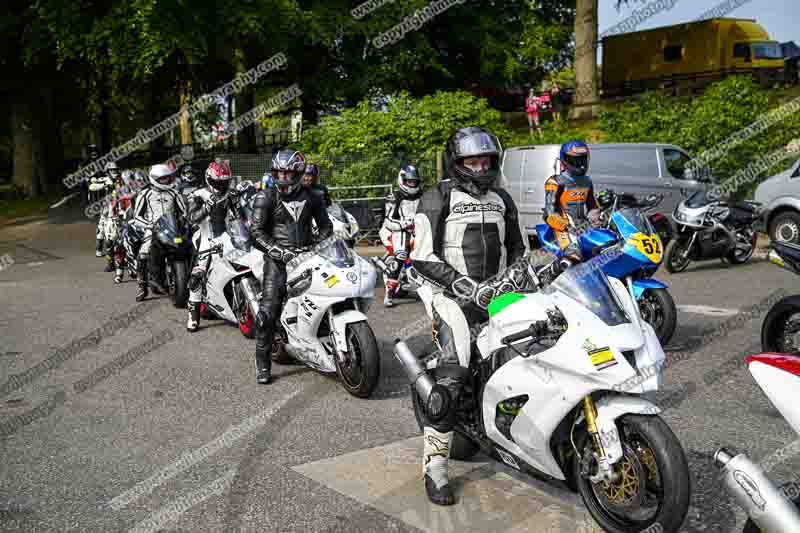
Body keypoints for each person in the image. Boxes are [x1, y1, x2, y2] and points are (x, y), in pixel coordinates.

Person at [410, 126, 528, 505]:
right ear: (457, 163)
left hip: (496, 294)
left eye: (485, 160)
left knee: (534, 352)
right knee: (454, 372)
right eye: (471, 161)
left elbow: (519, 252)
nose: (480, 167)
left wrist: (523, 281)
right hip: (450, 296)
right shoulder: (437, 197)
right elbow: (423, 255)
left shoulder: (503, 199)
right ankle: (435, 467)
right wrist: (465, 288)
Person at [250, 150, 333, 384]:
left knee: (329, 292)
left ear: (298, 173)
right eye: (279, 172)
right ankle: (262, 361)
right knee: (267, 313)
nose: (284, 178)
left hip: (307, 256)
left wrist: (318, 244)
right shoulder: (265, 197)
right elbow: (255, 232)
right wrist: (277, 250)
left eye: (288, 173)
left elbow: (326, 227)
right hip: (277, 259)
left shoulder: (314, 196)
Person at [186, 160, 245, 332]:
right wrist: (205, 207)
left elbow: (240, 216)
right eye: (218, 182)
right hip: (205, 237)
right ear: (209, 179)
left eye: (224, 182)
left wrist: (240, 206)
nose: (221, 185)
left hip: (227, 236)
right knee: (198, 273)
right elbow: (191, 218)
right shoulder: (196, 195)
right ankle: (193, 315)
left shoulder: (230, 194)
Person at [130, 163, 187, 301]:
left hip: (173, 228)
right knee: (143, 254)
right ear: (154, 178)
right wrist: (149, 225)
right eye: (162, 179)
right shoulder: (145, 194)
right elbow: (137, 216)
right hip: (153, 229)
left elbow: (184, 212)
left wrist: (185, 221)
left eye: (167, 178)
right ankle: (142, 287)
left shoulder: (175, 192)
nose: (166, 181)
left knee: (188, 247)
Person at [543, 140, 601, 264]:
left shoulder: (587, 181)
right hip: (561, 229)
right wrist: (566, 227)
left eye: (582, 159)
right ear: (566, 159)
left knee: (603, 250)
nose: (580, 164)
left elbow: (593, 207)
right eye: (575, 160)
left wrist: (597, 220)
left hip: (583, 227)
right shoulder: (555, 182)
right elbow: (549, 213)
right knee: (574, 256)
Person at [379, 164, 423, 307]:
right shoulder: (394, 197)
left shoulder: (422, 196)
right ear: (402, 180)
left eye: (414, 181)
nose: (412, 184)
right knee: (401, 256)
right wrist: (405, 224)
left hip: (419, 230)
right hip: (399, 232)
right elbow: (388, 221)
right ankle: (389, 294)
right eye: (409, 181)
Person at [93, 162, 121, 258]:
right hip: (106, 207)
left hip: (119, 205)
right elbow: (92, 186)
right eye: (112, 170)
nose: (115, 171)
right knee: (101, 229)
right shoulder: (104, 179)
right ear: (107, 171)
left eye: (116, 169)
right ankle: (99, 249)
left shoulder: (120, 179)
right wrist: (104, 185)